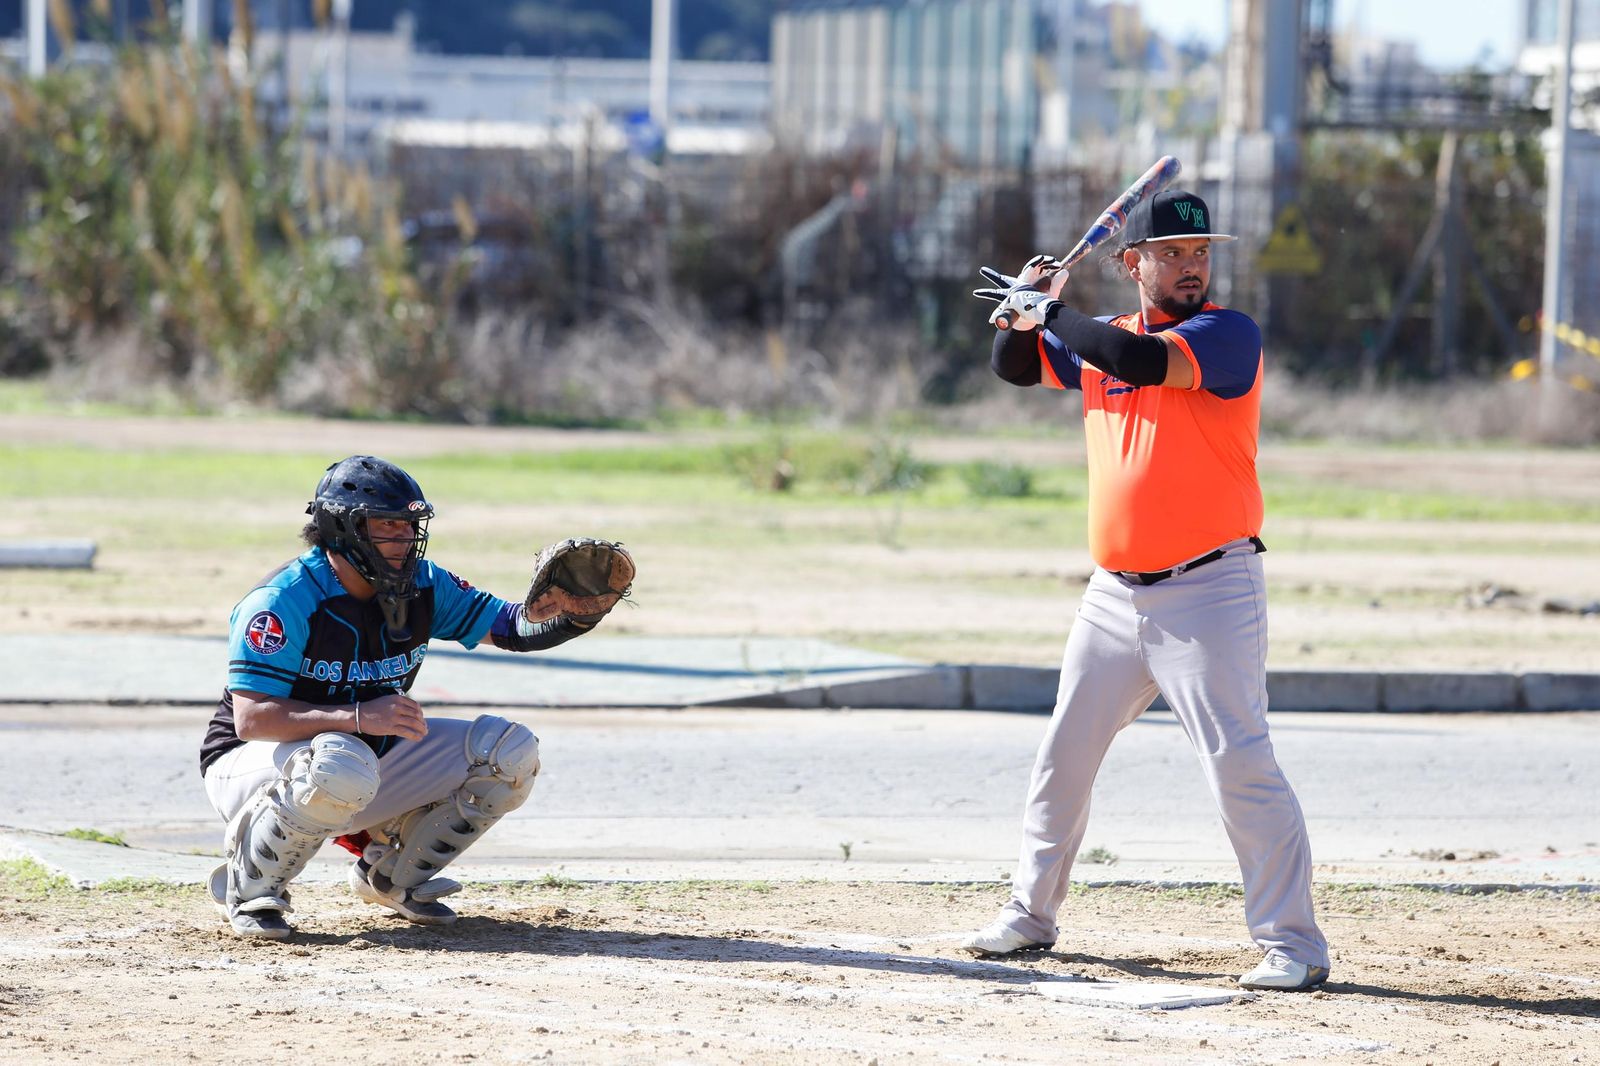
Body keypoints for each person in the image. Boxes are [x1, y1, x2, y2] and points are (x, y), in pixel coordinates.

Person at [965, 189, 1330, 991]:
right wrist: (1022, 315)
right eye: (1171, 254)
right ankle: (1030, 916)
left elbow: (1136, 365)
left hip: (1209, 588)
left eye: (1200, 254)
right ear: (1133, 264)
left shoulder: (1227, 334)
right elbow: (1015, 369)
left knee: (1239, 763)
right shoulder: (1109, 335)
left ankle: (1295, 945)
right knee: (1064, 752)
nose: (1191, 267)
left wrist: (1048, 311)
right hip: (1112, 596)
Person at [200, 455, 628, 940]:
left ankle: (391, 875)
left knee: (508, 752)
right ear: (343, 528)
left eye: (410, 526)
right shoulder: (283, 600)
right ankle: (250, 889)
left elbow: (513, 627)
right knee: (343, 757)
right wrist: (362, 715)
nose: (404, 539)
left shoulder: (423, 584)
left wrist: (573, 614)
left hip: (356, 758)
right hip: (248, 763)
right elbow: (253, 719)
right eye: (387, 525)